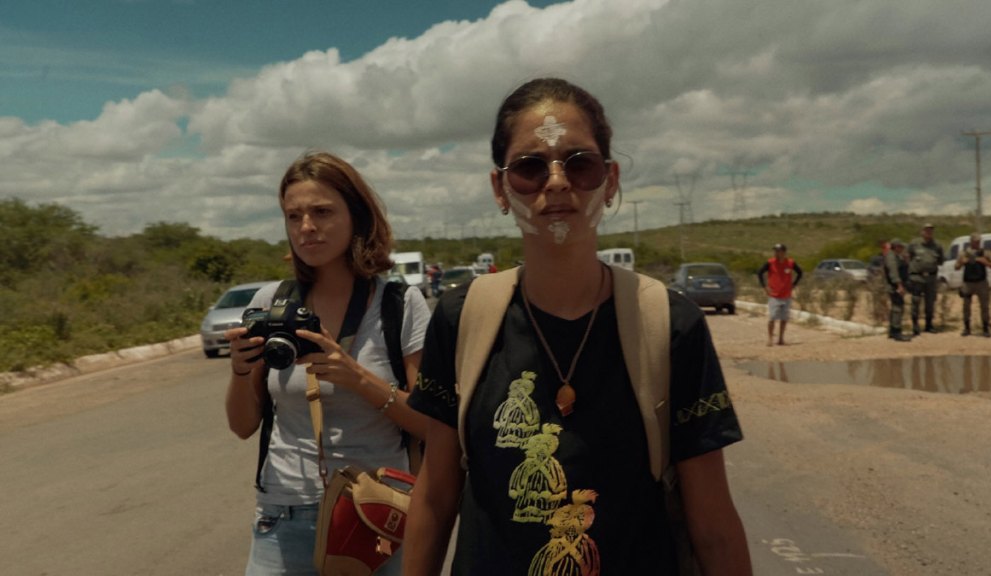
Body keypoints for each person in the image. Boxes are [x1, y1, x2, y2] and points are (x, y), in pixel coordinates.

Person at [402, 78, 751, 575]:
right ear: (500, 188)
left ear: (610, 180)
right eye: (530, 167)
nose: (557, 181)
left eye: (579, 163)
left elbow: (713, 524)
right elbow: (435, 498)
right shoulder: (462, 319)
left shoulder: (671, 325)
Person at [225, 151, 431, 576]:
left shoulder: (399, 305)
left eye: (322, 212)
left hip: (374, 515)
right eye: (293, 216)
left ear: (357, 216)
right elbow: (242, 426)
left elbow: (430, 423)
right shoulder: (271, 303)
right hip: (283, 514)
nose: (306, 227)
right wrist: (241, 371)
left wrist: (357, 378)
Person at [757, 243, 803, 346]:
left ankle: (781, 339)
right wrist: (765, 287)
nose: (776, 253)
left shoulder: (790, 263)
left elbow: (800, 273)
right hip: (774, 295)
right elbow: (760, 272)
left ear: (784, 252)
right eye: (775, 251)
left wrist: (794, 284)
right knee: (772, 317)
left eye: (778, 251)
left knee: (784, 318)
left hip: (786, 295)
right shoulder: (770, 262)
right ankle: (770, 339)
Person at [954, 233, 991, 337]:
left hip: (981, 282)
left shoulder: (985, 252)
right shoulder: (963, 253)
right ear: (971, 241)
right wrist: (962, 262)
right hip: (968, 283)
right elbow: (956, 267)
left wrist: (985, 262)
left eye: (978, 241)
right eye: (975, 241)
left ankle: (985, 328)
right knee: (966, 306)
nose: (977, 243)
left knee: (984, 306)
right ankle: (967, 328)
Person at [907, 223, 945, 334]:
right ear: (922, 231)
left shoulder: (937, 245)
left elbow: (941, 261)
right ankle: (915, 325)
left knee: (930, 302)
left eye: (931, 230)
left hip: (931, 278)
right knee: (916, 301)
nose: (929, 232)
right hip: (917, 277)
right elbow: (908, 257)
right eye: (927, 230)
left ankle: (929, 325)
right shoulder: (914, 244)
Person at [883, 238, 912, 341]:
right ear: (896, 247)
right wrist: (899, 285)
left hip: (896, 285)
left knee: (897, 307)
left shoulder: (896, 256)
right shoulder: (891, 257)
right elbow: (893, 272)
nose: (902, 249)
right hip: (894, 286)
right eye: (901, 247)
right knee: (897, 308)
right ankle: (896, 331)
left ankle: (892, 331)